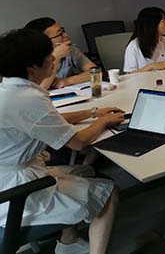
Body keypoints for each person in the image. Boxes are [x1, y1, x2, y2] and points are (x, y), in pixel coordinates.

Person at [0, 29, 124, 254]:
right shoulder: (29, 98)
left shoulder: (9, 89)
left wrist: (92, 112)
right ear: (31, 68)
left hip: (10, 174)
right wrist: (104, 121)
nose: (54, 59)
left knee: (83, 171)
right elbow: (79, 142)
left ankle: (69, 242)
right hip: (15, 192)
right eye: (49, 56)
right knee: (109, 193)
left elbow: (47, 120)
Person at [24, 17, 96, 90]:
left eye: (63, 31)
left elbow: (95, 72)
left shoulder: (70, 50)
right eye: (60, 34)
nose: (65, 35)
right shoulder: (30, 59)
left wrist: (67, 81)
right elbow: (40, 88)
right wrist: (56, 56)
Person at [123, 7, 165, 73]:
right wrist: (151, 66)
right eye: (163, 21)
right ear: (152, 25)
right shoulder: (133, 46)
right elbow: (129, 74)